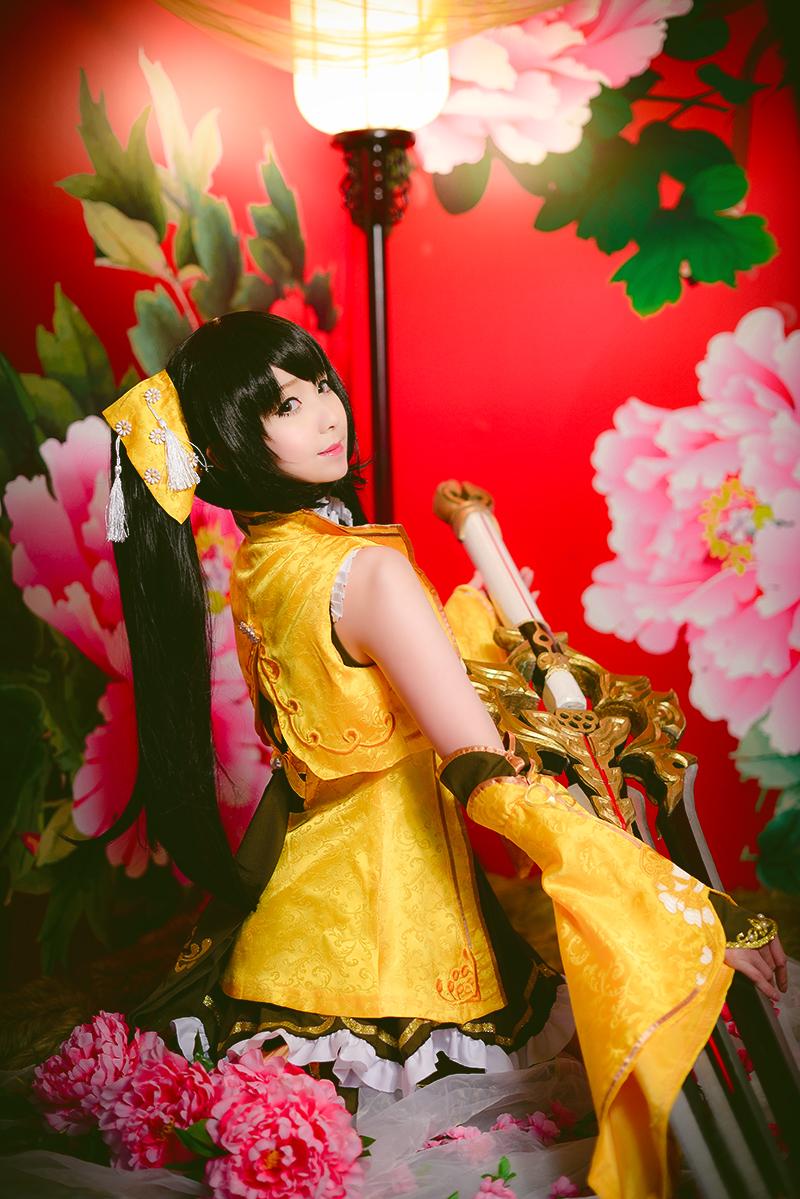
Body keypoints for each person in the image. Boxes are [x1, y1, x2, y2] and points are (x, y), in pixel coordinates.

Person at [100, 310, 786, 1197]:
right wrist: (679, 906)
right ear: (229, 442)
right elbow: (482, 772)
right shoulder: (364, 570)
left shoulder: (265, 557)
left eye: (320, 386)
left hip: (293, 927)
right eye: (285, 405)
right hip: (402, 941)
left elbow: (358, 693)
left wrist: (466, 615)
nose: (326, 414)